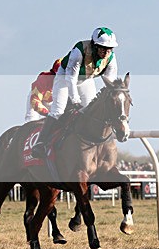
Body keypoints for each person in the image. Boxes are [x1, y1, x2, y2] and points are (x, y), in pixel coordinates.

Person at [31, 27, 118, 159]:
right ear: (95, 46)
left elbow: (110, 83)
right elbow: (70, 78)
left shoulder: (111, 58)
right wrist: (75, 99)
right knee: (58, 110)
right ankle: (40, 143)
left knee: (90, 109)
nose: (107, 52)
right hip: (64, 78)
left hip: (85, 79)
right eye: (103, 48)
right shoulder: (79, 51)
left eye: (110, 48)